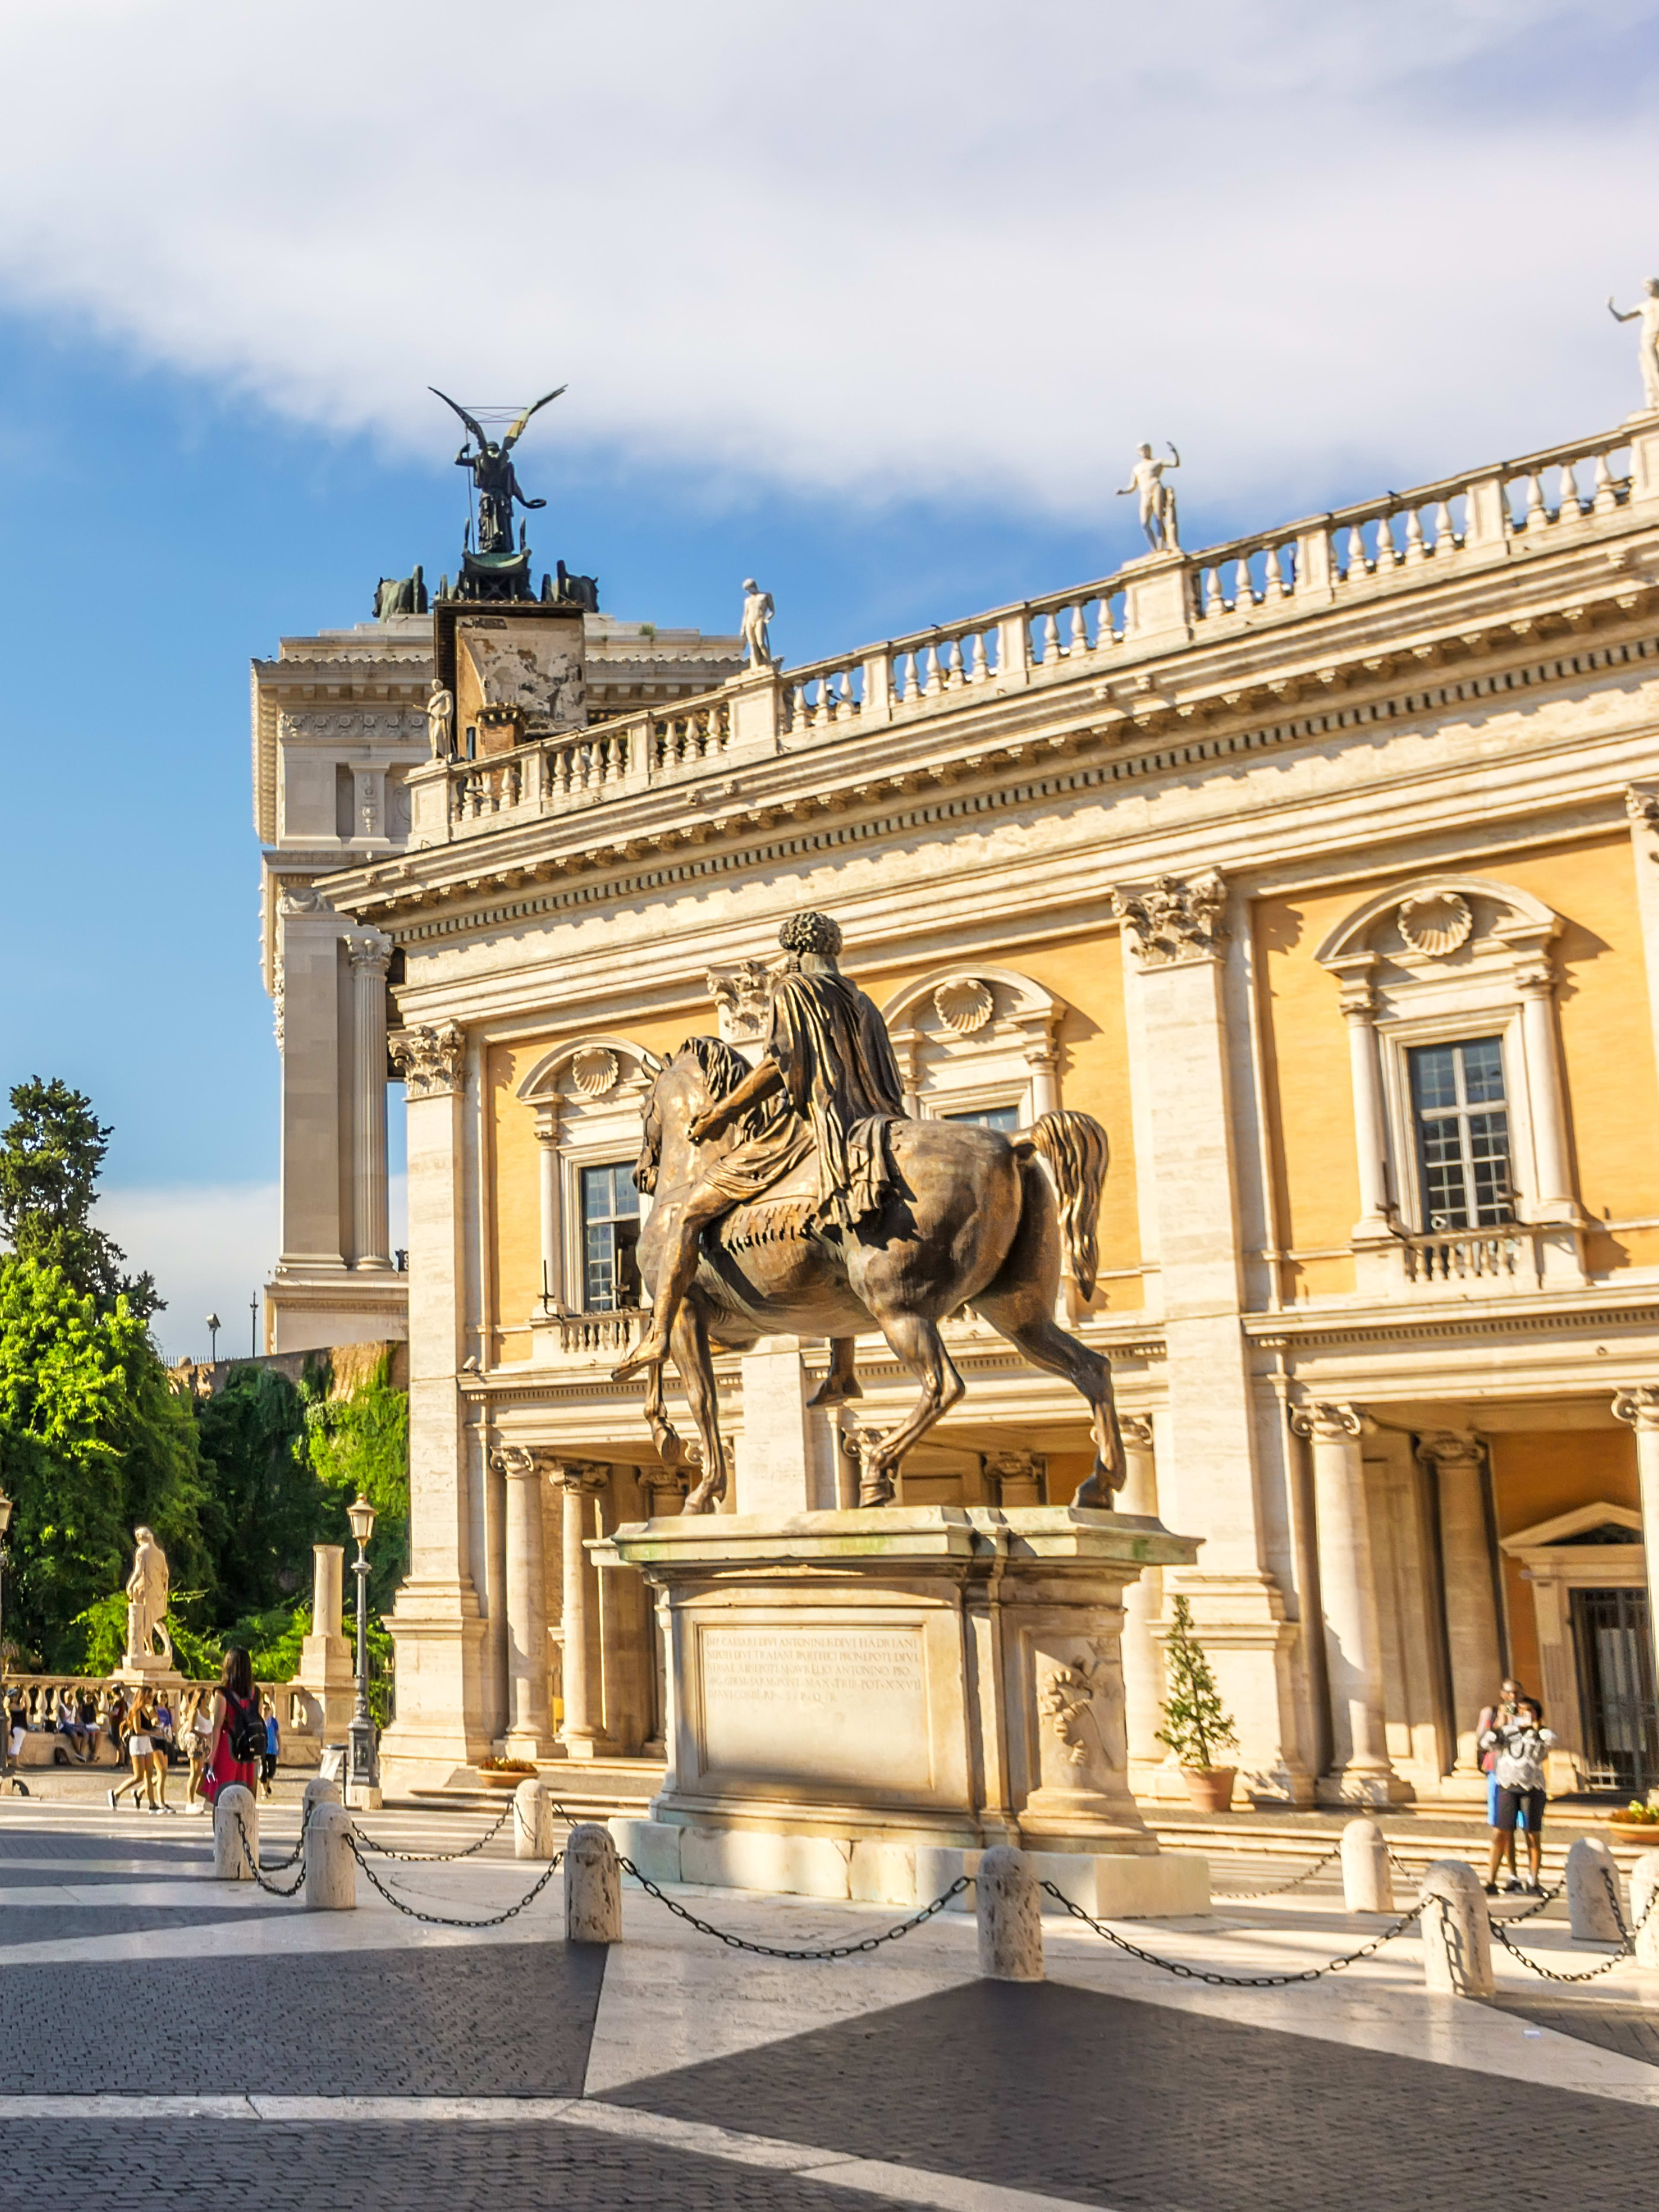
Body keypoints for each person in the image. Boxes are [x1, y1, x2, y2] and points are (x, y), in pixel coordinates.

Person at [613, 909, 907, 1386]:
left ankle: (658, 1333)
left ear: (796, 950)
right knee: (843, 1226)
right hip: (871, 1120)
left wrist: (723, 1113)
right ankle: (842, 1367)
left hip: (810, 1126)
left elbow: (777, 1064)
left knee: (688, 1214)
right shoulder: (863, 1000)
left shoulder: (797, 989)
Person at [1481, 1697, 1556, 1897]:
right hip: (1507, 1787)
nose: (1523, 1715)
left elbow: (1550, 1742)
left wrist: (1536, 1726)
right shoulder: (1507, 1733)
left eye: (1528, 1711)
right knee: (1501, 1833)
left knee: (1532, 1834)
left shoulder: (1540, 1734)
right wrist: (1501, 1723)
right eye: (1519, 1711)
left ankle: (1533, 1881)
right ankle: (1491, 1881)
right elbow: (1486, 1742)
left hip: (1533, 1788)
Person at [1476, 1678, 1528, 1891]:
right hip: (1497, 1773)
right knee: (1501, 1827)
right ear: (1502, 1694)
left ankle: (1516, 1876)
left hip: (1519, 1774)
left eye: (1516, 1693)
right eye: (1509, 1693)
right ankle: (1495, 1878)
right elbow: (1482, 1740)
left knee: (1517, 1827)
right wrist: (1502, 1722)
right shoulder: (1491, 1713)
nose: (1513, 1697)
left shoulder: (1526, 1714)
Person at [199, 1647, 261, 1812]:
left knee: (223, 1797)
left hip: (228, 1747)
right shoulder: (256, 1693)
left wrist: (212, 1756)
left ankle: (222, 1827)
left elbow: (218, 1726)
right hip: (250, 1749)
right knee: (245, 1800)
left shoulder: (223, 1693)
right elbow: (257, 1720)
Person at [108, 1690, 161, 1814]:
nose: (151, 1699)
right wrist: (153, 1733)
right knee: (139, 1776)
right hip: (137, 1742)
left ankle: (152, 1804)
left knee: (149, 1774)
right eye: (149, 1696)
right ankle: (116, 1793)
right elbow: (138, 1730)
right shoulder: (136, 1711)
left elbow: (151, 1724)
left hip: (146, 1742)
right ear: (143, 1697)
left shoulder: (148, 1710)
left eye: (152, 1696)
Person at [260, 1695, 280, 1800]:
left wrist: (279, 1747)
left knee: (272, 1770)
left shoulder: (274, 1722)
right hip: (262, 1749)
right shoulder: (259, 1721)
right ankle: (264, 1791)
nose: (266, 1711)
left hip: (272, 1749)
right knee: (263, 1770)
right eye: (265, 1709)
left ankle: (267, 1785)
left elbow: (277, 1735)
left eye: (268, 1709)